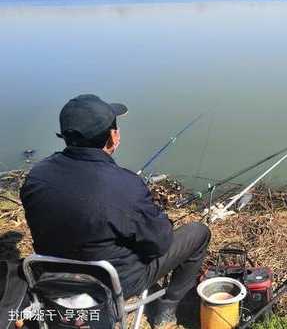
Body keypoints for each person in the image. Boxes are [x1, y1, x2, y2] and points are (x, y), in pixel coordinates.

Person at [20, 94, 210, 329]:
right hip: (111, 284)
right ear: (112, 137)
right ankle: (166, 308)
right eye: (115, 128)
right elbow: (159, 244)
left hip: (52, 277)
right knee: (198, 232)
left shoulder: (37, 176)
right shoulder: (125, 186)